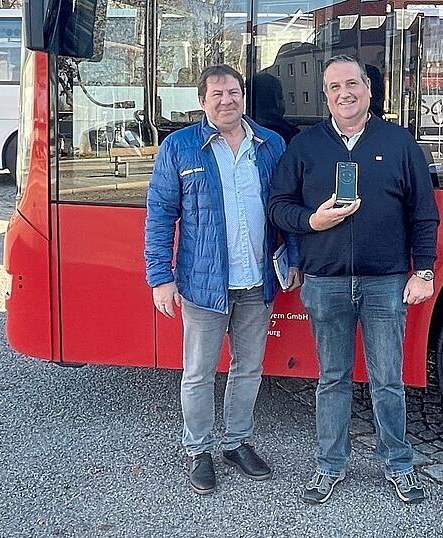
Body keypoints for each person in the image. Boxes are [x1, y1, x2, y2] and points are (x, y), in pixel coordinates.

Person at [268, 55, 440, 505]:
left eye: (352, 84)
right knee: (332, 378)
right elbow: (278, 205)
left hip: (385, 282)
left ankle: (398, 464)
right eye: (333, 87)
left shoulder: (399, 142)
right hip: (324, 282)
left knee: (388, 379)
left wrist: (423, 271)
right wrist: (312, 222)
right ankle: (330, 465)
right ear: (325, 95)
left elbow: (424, 213)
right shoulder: (306, 147)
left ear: (368, 88)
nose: (343, 93)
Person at [144, 64, 298, 495]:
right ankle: (199, 451)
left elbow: (286, 207)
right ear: (202, 101)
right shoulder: (180, 148)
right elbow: (160, 216)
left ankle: (236, 443)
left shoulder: (270, 145)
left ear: (243, 95)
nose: (227, 100)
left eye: (233, 92)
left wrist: (295, 259)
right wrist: (160, 276)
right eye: (217, 94)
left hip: (257, 281)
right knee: (197, 373)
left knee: (248, 369)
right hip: (202, 283)